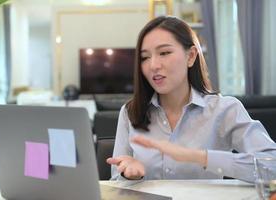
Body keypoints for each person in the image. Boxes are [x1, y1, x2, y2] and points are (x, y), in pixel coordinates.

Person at [106, 16, 276, 182]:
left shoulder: (224, 109)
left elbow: (272, 166)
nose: (153, 65)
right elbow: (114, 181)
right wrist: (129, 175)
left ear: (191, 56)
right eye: (145, 57)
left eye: (164, 52)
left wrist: (200, 157)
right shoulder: (130, 112)